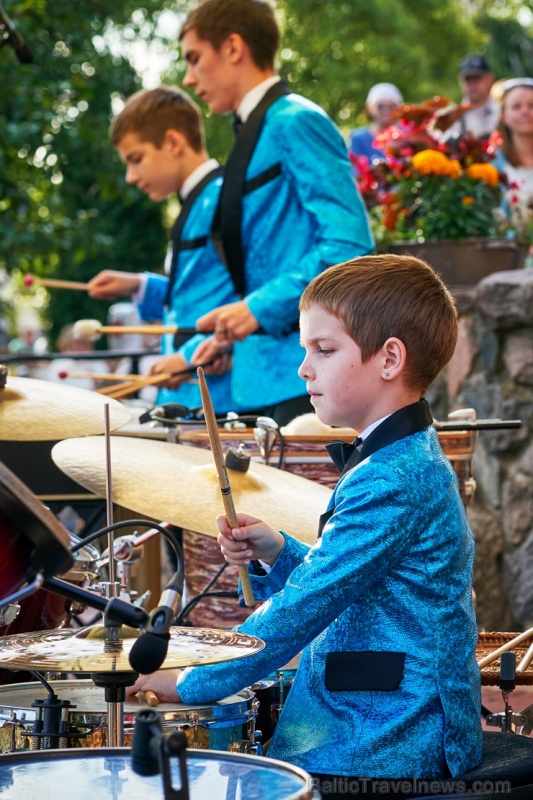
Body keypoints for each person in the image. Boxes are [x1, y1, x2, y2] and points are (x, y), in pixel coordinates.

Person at [128, 254, 482, 789]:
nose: (303, 369)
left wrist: (191, 680)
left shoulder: (394, 476)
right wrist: (278, 550)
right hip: (372, 716)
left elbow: (307, 605)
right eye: (305, 350)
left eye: (324, 349)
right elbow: (363, 583)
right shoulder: (397, 458)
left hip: (386, 738)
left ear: (389, 359)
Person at [178, 0, 374, 425]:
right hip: (260, 379)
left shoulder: (295, 120)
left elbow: (349, 244)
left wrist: (256, 309)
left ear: (233, 47)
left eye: (194, 58)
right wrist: (236, 333)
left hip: (303, 381)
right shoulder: (259, 128)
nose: (188, 78)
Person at [87, 86, 240, 415]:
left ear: (172, 142)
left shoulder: (227, 200)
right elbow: (200, 290)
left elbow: (249, 301)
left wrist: (188, 358)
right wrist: (138, 285)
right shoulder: (196, 203)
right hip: (193, 397)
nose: (130, 176)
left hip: (222, 400)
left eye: (136, 159)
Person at [491, 78, 533, 252]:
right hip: (511, 257)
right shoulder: (492, 165)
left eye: (531, 105)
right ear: (504, 116)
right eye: (516, 106)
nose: (526, 111)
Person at [348, 82, 403, 171]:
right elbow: (355, 172)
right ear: (370, 107)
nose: (386, 110)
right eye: (380, 106)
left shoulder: (407, 136)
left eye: (391, 106)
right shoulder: (358, 138)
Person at [444, 53, 499, 140]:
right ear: (460, 82)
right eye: (468, 80)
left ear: (490, 79)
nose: (472, 85)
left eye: (477, 79)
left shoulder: (503, 113)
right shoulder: (451, 117)